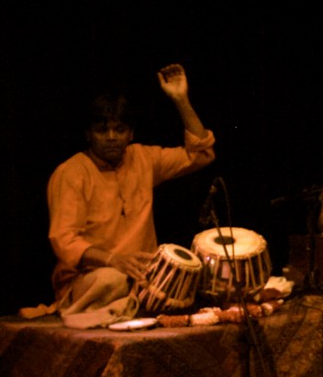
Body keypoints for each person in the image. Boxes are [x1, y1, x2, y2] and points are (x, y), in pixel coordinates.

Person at [44, 64, 216, 326]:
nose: (111, 137)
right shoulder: (71, 173)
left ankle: (130, 308)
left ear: (130, 133)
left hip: (141, 277)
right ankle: (116, 309)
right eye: (102, 131)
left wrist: (181, 100)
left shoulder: (143, 158)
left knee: (189, 277)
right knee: (111, 279)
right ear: (88, 134)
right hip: (91, 281)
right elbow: (64, 240)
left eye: (119, 130)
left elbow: (201, 155)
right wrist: (114, 261)